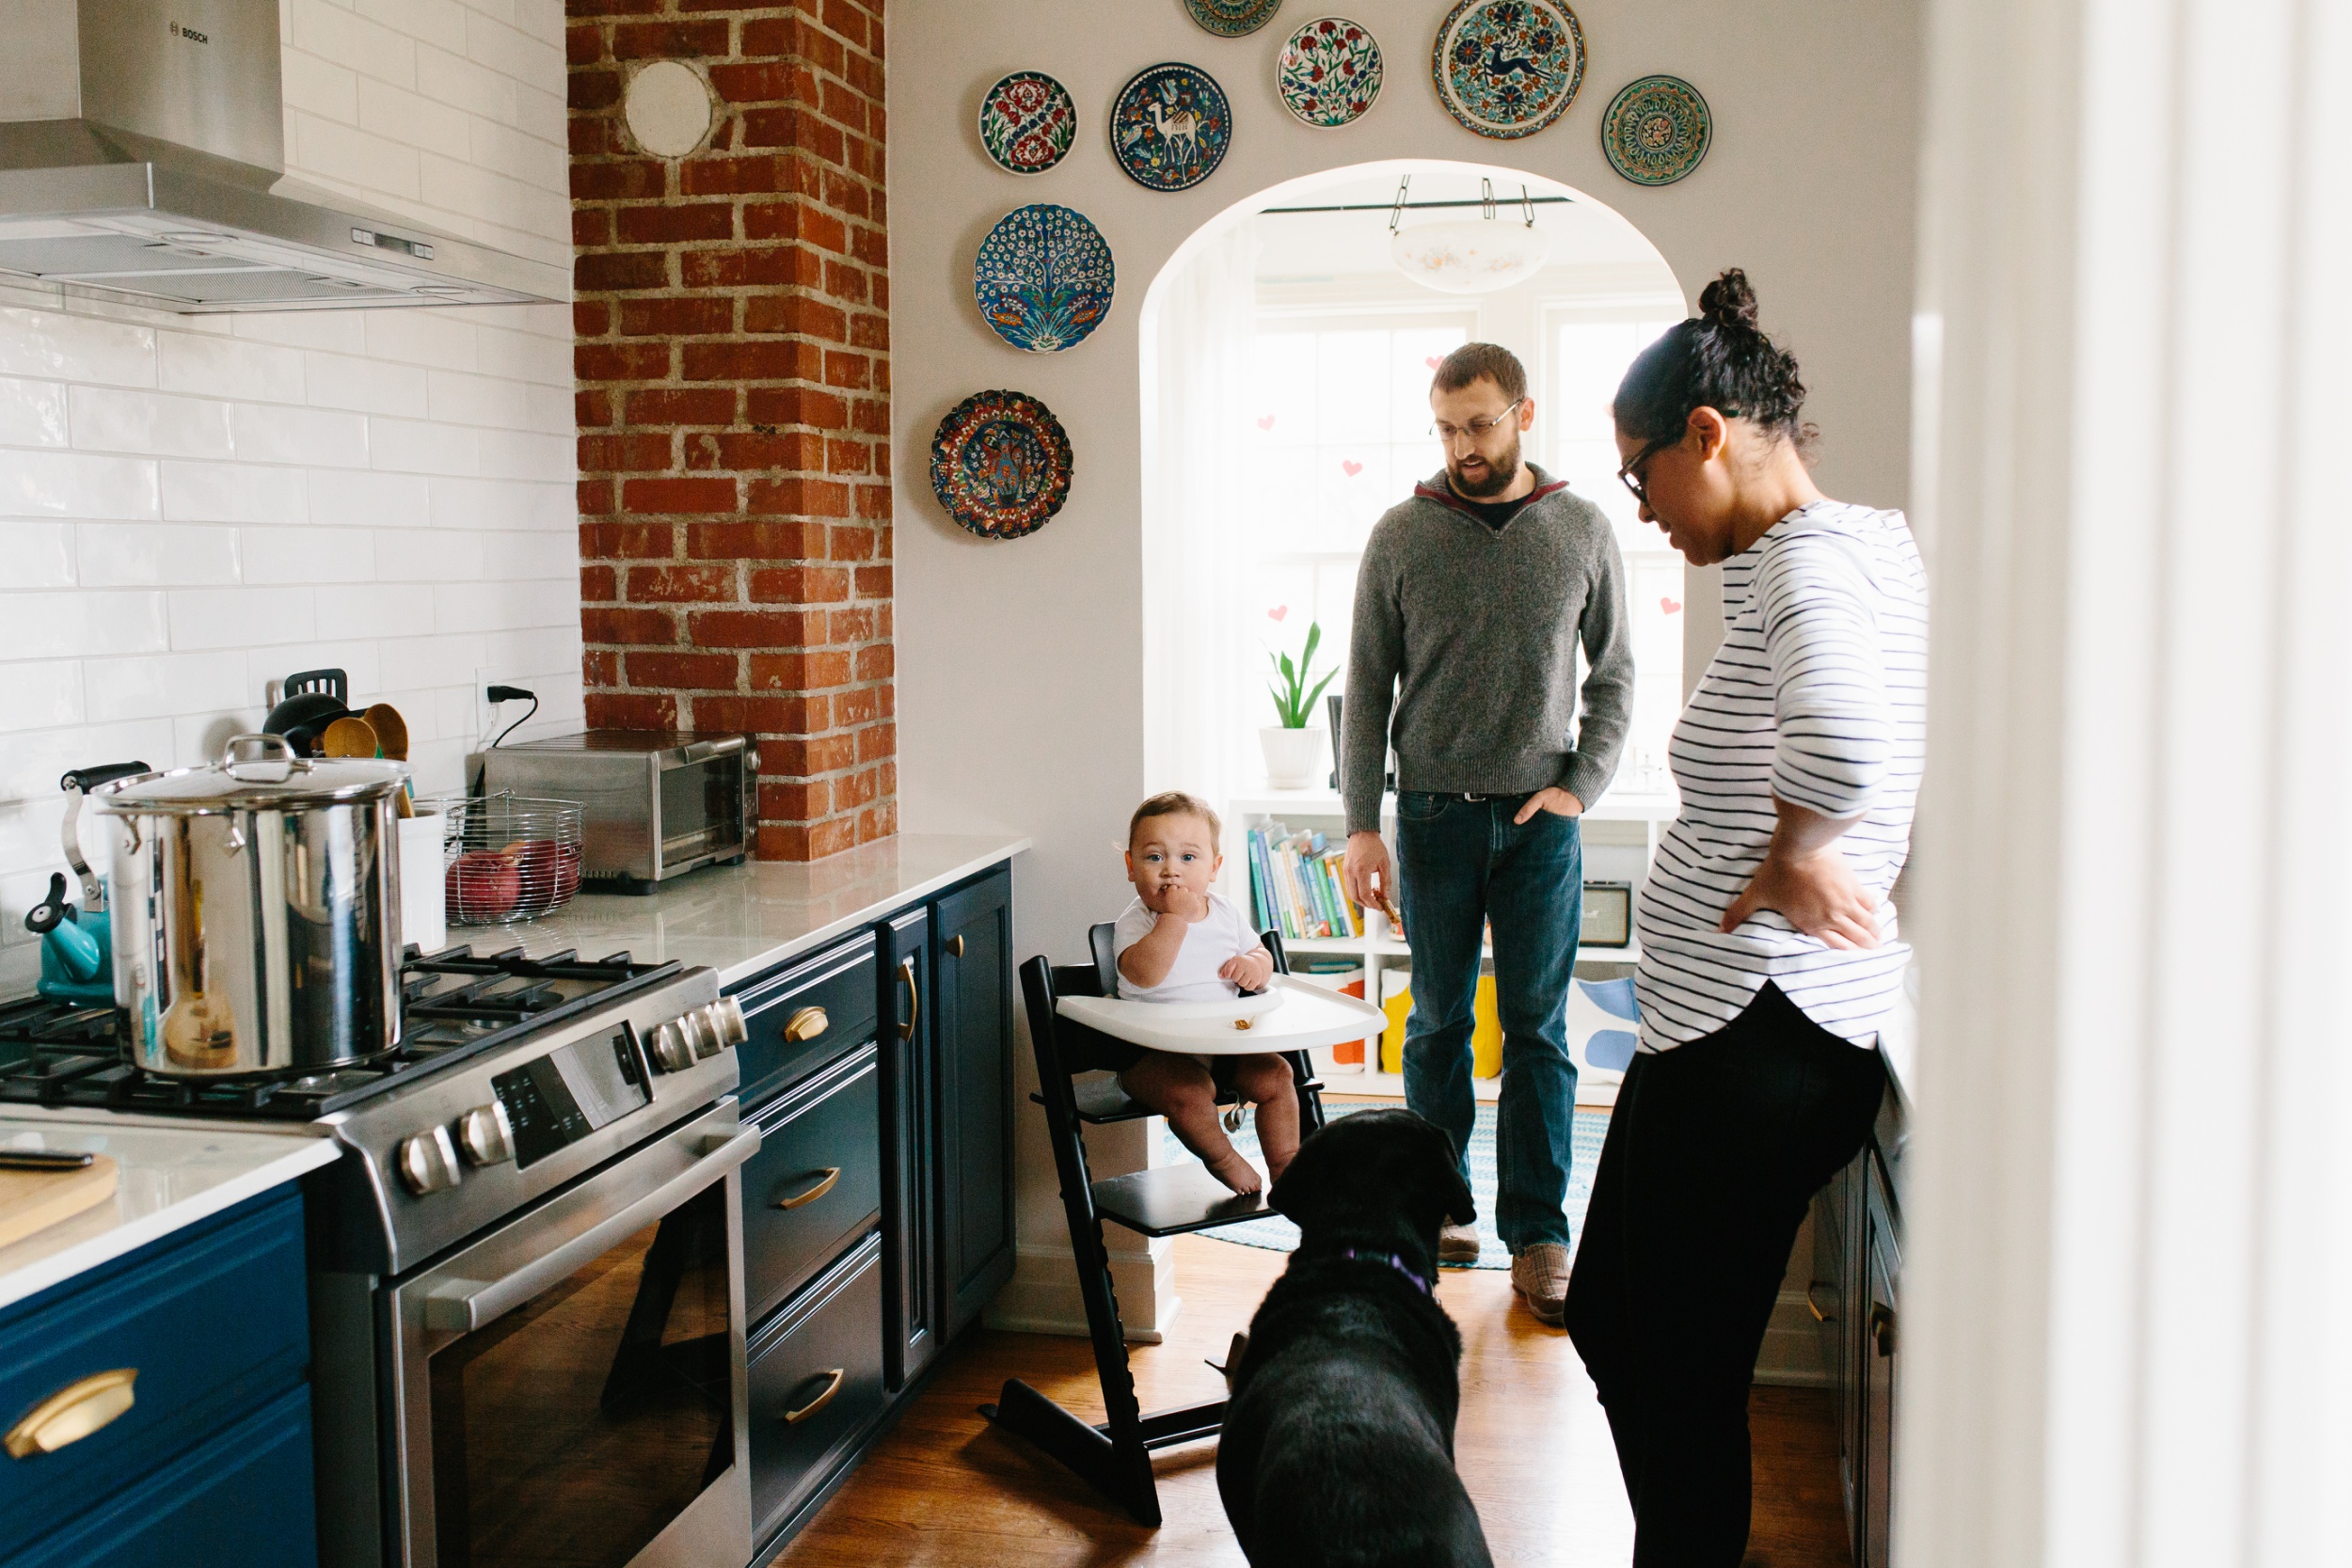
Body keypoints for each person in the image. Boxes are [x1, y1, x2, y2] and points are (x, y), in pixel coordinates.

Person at [1563, 270, 1927, 1566]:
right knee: (1632, 1325)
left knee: (1668, 1346)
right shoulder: (1861, 541)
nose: (1642, 508)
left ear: (1704, 436)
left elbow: (1840, 740)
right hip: (1742, 1026)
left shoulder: (1801, 561)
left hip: (1762, 1029)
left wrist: (1791, 852)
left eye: (1637, 473)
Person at [1340, 341, 1633, 1325]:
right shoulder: (1400, 534)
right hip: (1428, 819)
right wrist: (1358, 827)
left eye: (1479, 423)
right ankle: (1440, 1203)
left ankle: (1539, 1231)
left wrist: (1579, 787)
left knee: (1539, 1030)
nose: (1462, 445)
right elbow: (1365, 690)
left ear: (1522, 413)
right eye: (1446, 427)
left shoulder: (1582, 529)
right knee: (1435, 1022)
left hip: (1537, 822)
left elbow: (1616, 676)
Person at [1109, 791, 1300, 1196]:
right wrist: (1174, 920)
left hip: (1222, 1046)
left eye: (1188, 858)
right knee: (1188, 1094)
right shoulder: (1137, 922)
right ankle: (1223, 1159)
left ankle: (1287, 1168)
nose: (1171, 872)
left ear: (1214, 867)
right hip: (1153, 1056)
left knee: (1277, 1076)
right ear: (1130, 866)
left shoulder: (1227, 913)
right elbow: (1144, 974)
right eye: (1154, 857)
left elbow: (1260, 954)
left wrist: (1254, 966)